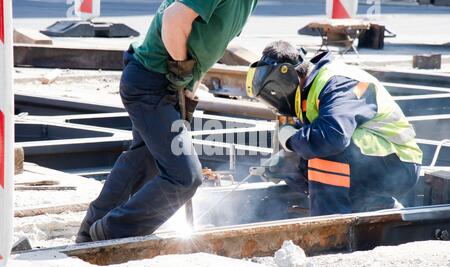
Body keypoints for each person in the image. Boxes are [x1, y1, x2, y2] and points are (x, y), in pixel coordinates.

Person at [76, 0, 258, 242]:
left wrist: (191, 82)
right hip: (151, 82)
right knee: (185, 177)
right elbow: (173, 19)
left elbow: (211, 38)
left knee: (143, 159)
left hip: (159, 81)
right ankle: (110, 233)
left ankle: (90, 232)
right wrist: (181, 69)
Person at [246, 40, 422, 216]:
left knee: (325, 150)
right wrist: (286, 159)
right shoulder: (310, 87)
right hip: (373, 160)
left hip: (398, 163)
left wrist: (291, 141)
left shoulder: (338, 83)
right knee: (302, 159)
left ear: (286, 78)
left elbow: (332, 137)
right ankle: (376, 206)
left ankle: (331, 227)